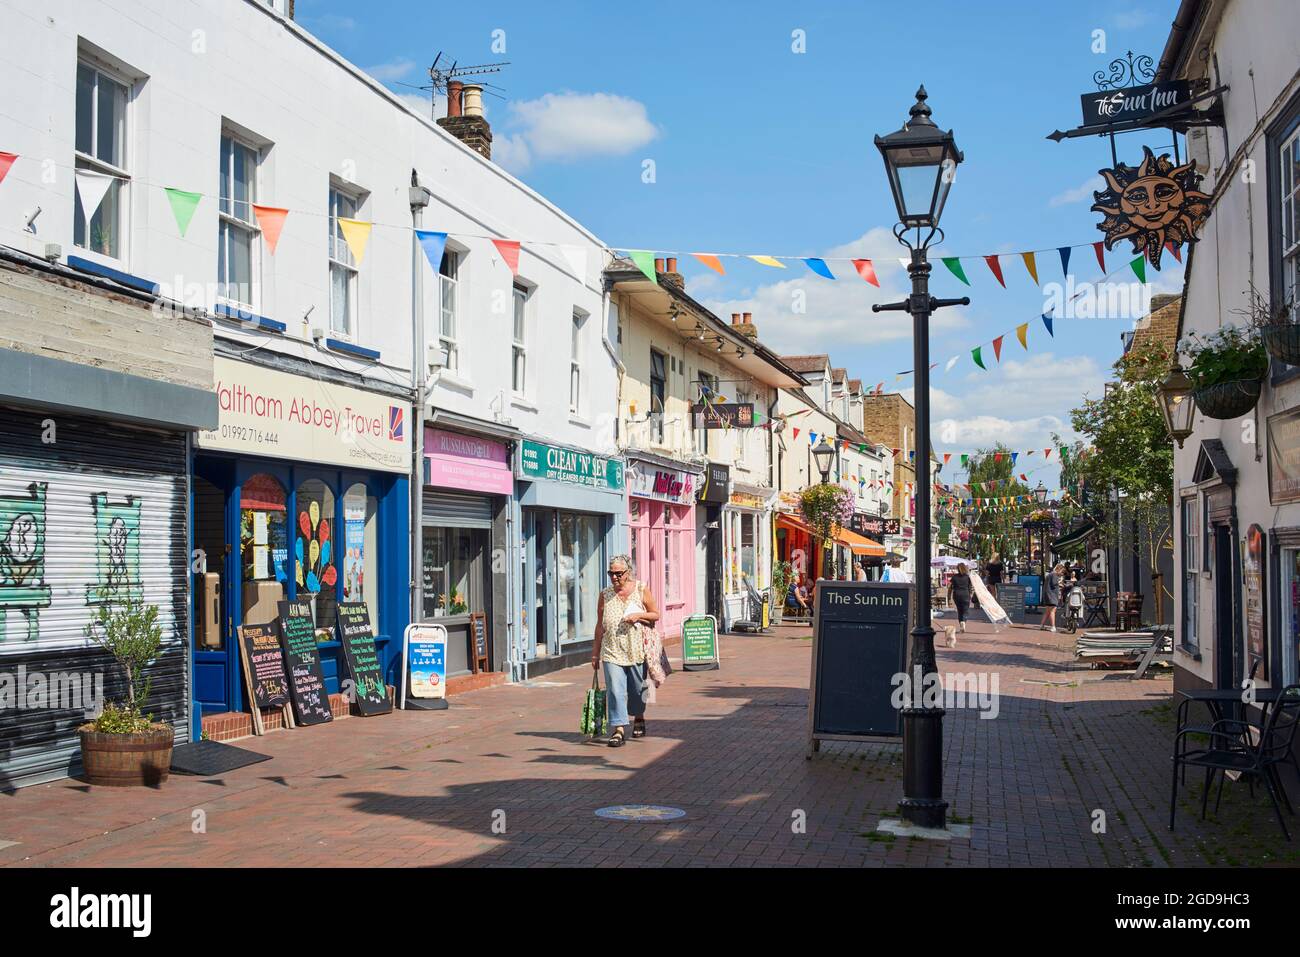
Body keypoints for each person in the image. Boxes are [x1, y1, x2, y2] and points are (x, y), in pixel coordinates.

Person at [591, 554, 659, 747]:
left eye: (618, 573)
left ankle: (639, 716)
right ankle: (618, 729)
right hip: (612, 650)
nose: (614, 577)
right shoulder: (605, 594)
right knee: (615, 690)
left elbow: (655, 615)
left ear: (628, 572)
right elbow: (599, 625)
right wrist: (595, 653)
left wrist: (638, 615)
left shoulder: (641, 589)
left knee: (639, 689)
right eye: (611, 573)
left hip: (636, 649)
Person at [967, 567, 1011, 631]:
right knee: (990, 606)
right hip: (985, 595)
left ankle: (998, 617)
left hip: (984, 594)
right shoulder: (982, 578)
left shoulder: (982, 578)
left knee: (989, 606)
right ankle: (999, 617)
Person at [949, 563, 973, 641]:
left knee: (959, 611)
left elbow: (950, 587)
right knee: (965, 611)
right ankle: (963, 622)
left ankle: (961, 624)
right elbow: (970, 587)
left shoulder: (954, 577)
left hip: (957, 595)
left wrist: (949, 598)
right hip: (965, 594)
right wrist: (970, 594)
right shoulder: (967, 577)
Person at [1040, 563, 1063, 633]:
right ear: (1059, 569)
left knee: (1047, 611)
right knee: (1053, 611)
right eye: (1061, 571)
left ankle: (1042, 625)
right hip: (1052, 595)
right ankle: (1053, 627)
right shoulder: (1054, 575)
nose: (1061, 573)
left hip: (1047, 595)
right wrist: (1060, 582)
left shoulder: (1049, 574)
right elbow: (1054, 583)